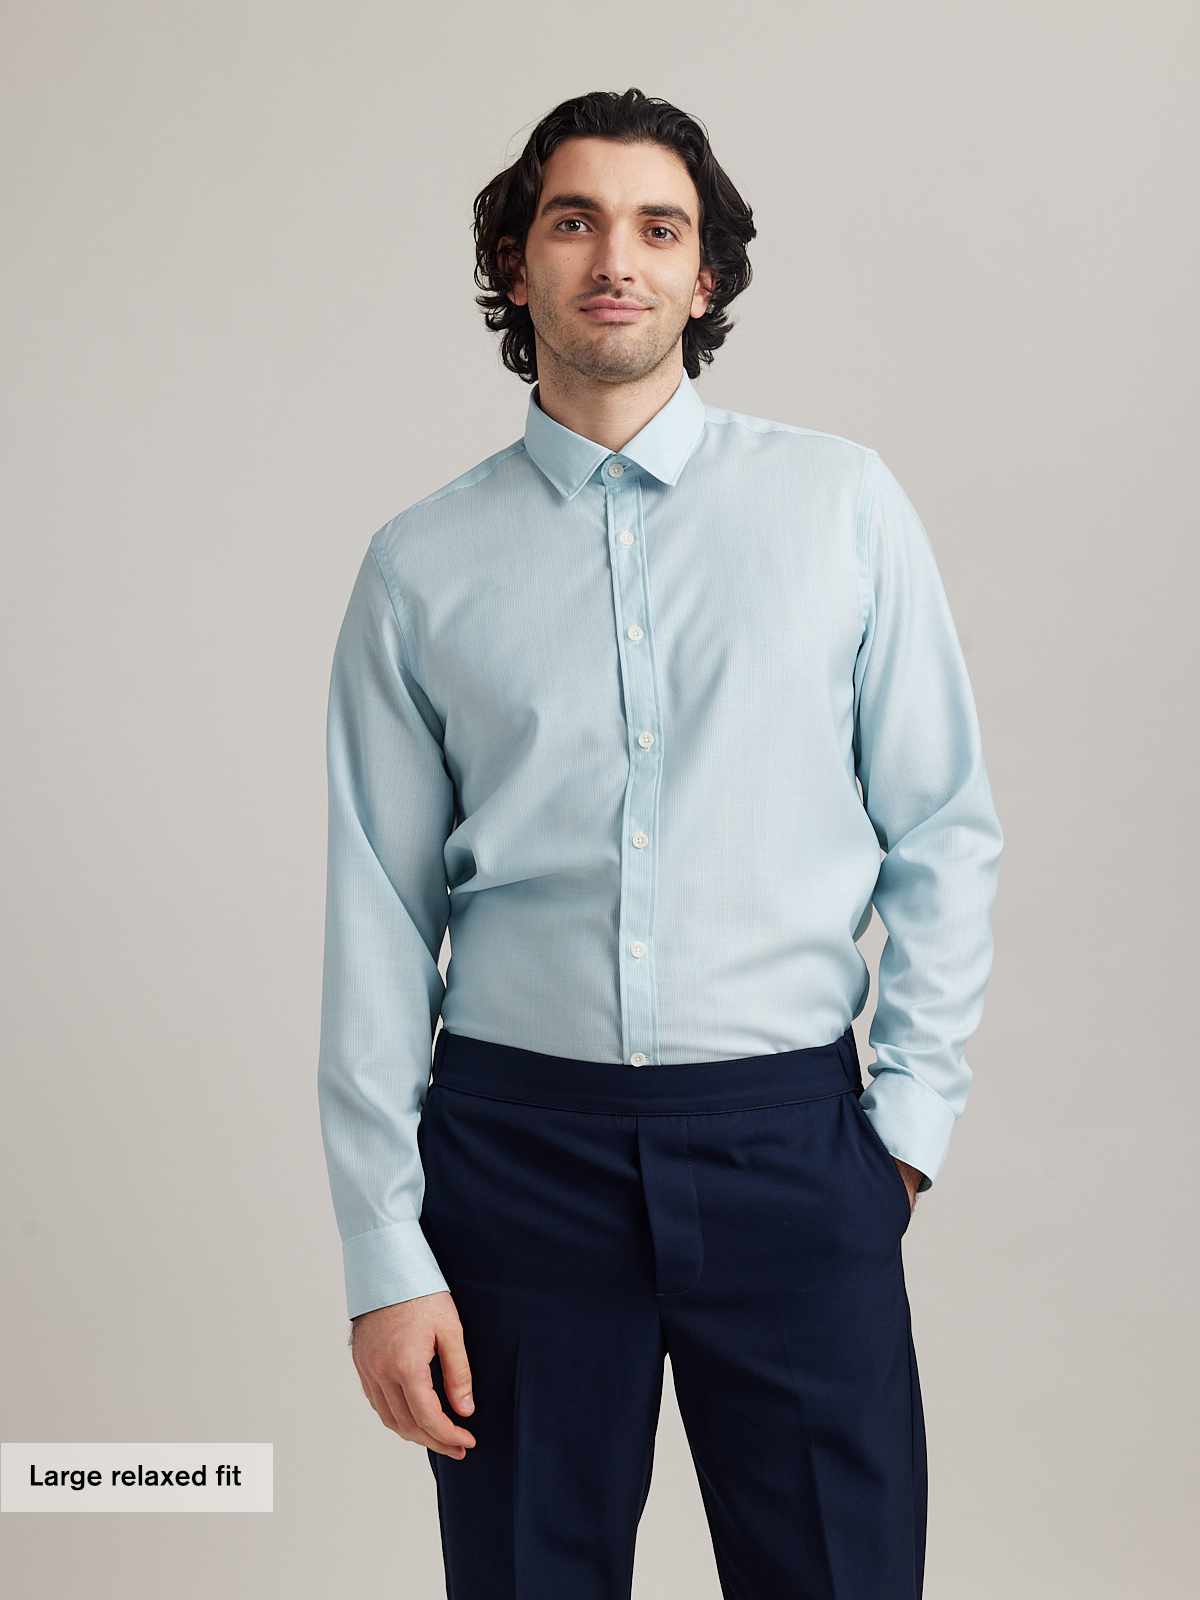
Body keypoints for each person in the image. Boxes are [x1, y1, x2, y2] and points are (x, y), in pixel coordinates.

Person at [317, 85, 1003, 1599]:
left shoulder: (840, 509)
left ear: (706, 275)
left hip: (794, 1146)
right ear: (516, 265)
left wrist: (905, 1132)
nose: (615, 258)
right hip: (515, 1163)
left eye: (659, 227)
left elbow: (945, 828)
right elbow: (378, 918)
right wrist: (385, 1252)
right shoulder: (421, 567)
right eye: (574, 221)